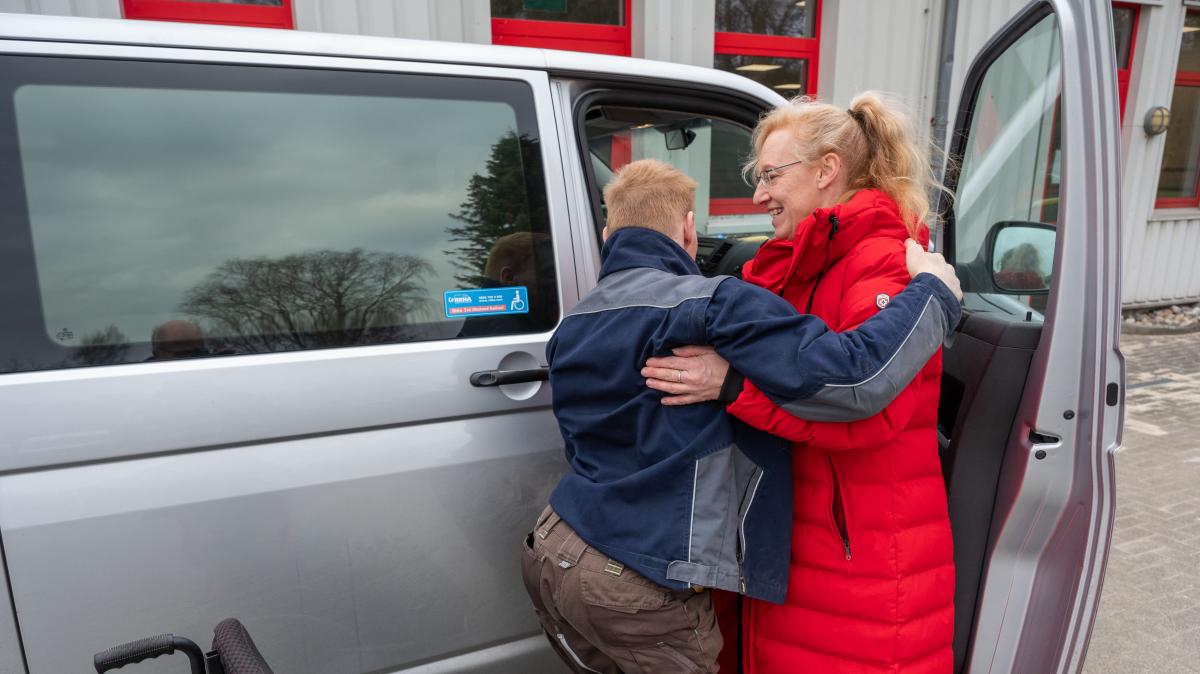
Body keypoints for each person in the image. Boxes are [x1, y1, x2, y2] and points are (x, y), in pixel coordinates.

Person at [522, 158, 962, 673]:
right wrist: (932, 294)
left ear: (607, 233)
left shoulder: (575, 321)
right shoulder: (709, 304)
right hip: (634, 580)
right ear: (689, 228)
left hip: (554, 552)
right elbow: (851, 375)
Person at [644, 93, 958, 673]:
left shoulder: (884, 262)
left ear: (827, 169)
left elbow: (867, 409)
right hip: (804, 546)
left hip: (857, 557)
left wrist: (731, 386)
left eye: (770, 175)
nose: (758, 194)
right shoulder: (795, 262)